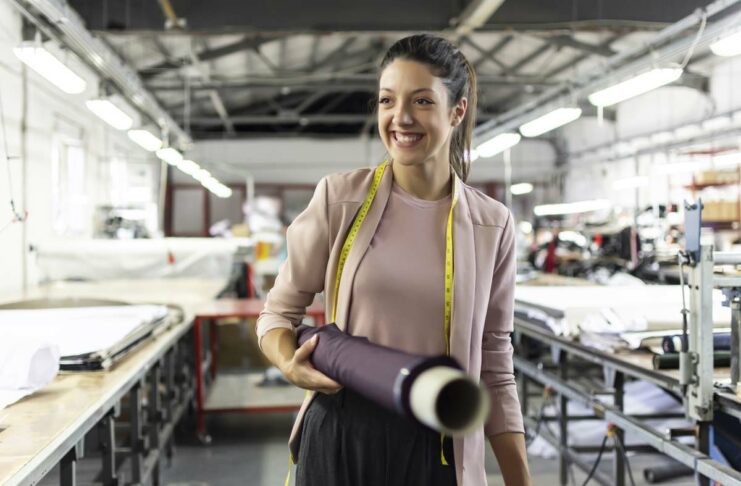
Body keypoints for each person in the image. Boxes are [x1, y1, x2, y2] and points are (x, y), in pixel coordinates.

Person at [257, 34, 531, 486]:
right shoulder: (340, 199)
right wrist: (289, 364)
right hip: (342, 435)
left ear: (456, 111)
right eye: (388, 100)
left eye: (422, 101)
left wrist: (520, 479)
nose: (400, 118)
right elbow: (277, 314)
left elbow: (494, 363)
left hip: (438, 448)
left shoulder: (491, 224)